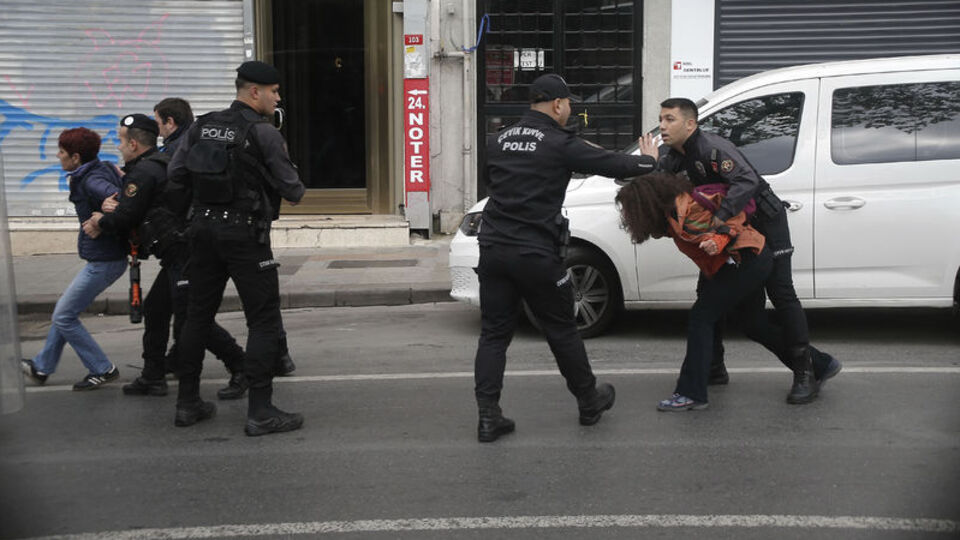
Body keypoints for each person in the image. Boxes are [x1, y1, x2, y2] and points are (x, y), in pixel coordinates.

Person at [473, 73, 658, 442]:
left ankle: (488, 417)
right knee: (561, 329)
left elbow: (491, 183)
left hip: (493, 249)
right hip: (536, 254)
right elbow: (616, 165)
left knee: (494, 334)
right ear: (557, 104)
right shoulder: (560, 143)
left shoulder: (496, 141)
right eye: (569, 103)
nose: (570, 109)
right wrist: (649, 161)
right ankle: (589, 400)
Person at [655, 98, 841, 404]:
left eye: (669, 119)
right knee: (737, 312)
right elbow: (660, 188)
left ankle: (807, 371)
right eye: (661, 119)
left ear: (690, 124)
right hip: (733, 232)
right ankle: (713, 368)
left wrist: (718, 219)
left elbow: (747, 180)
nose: (662, 126)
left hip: (765, 223)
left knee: (782, 294)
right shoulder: (672, 158)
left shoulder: (712, 148)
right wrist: (650, 163)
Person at [164, 60, 305, 435]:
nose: (277, 99)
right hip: (245, 237)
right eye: (274, 92)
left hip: (202, 234)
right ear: (254, 92)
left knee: (197, 316)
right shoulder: (264, 134)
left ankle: (187, 403)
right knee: (263, 320)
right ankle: (260, 410)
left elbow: (175, 177)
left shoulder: (201, 126)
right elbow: (294, 191)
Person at [82, 114, 248, 400]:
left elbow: (127, 216)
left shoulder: (144, 172)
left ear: (134, 144)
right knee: (157, 310)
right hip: (178, 254)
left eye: (121, 141)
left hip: (183, 254)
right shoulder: (159, 164)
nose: (118, 146)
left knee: (194, 321)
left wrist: (99, 221)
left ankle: (241, 367)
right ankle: (153, 375)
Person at [617, 172, 802, 409]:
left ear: (646, 205)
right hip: (744, 260)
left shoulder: (689, 210)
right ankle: (819, 364)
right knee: (754, 325)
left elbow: (733, 218)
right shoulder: (672, 214)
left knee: (701, 316)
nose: (626, 216)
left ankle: (691, 392)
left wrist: (720, 240)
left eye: (630, 209)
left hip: (748, 259)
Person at [20, 128, 126, 390]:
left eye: (62, 152)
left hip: (106, 261)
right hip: (103, 259)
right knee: (64, 312)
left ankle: (103, 368)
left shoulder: (92, 180)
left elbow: (123, 201)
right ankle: (42, 367)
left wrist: (101, 222)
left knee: (64, 315)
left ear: (76, 157)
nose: (58, 156)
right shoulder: (96, 170)